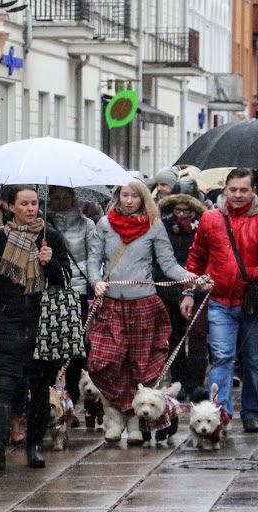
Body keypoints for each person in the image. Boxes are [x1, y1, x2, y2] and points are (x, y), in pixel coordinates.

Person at [0, 184, 70, 470]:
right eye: (24, 204)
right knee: (3, 385)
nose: (31, 209)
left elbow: (65, 278)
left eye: (34, 203)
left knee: (39, 387)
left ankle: (33, 445)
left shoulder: (50, 236)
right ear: (10, 207)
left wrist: (50, 263)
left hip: (41, 322)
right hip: (8, 319)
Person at [88, 179, 197, 445]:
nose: (128, 201)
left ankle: (136, 424)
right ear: (118, 196)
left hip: (144, 305)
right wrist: (96, 281)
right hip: (111, 304)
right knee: (105, 362)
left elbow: (168, 263)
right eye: (124, 195)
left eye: (134, 196)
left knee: (141, 367)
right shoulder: (105, 224)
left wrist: (190, 277)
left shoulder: (154, 225)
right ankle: (113, 419)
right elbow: (94, 259)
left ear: (143, 199)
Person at [182, 168, 258, 433]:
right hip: (218, 301)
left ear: (253, 192)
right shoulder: (210, 219)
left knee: (253, 361)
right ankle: (221, 413)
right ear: (225, 190)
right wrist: (188, 291)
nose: (238, 195)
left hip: (252, 302)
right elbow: (196, 257)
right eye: (233, 190)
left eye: (243, 190)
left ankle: (251, 412)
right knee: (222, 358)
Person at [155, 183, 209, 399]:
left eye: (187, 211)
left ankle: (195, 383)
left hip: (197, 287)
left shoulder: (203, 227)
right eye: (178, 210)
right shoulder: (161, 227)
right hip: (168, 289)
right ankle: (179, 381)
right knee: (173, 336)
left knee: (197, 335)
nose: (182, 215)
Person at [46, 185, 95, 411]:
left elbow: (92, 257)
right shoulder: (43, 224)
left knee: (76, 347)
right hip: (51, 287)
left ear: (74, 198)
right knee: (53, 346)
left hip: (79, 288)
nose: (61, 202)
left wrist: (93, 284)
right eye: (56, 198)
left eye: (66, 197)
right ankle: (52, 396)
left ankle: (72, 395)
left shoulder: (87, 224)